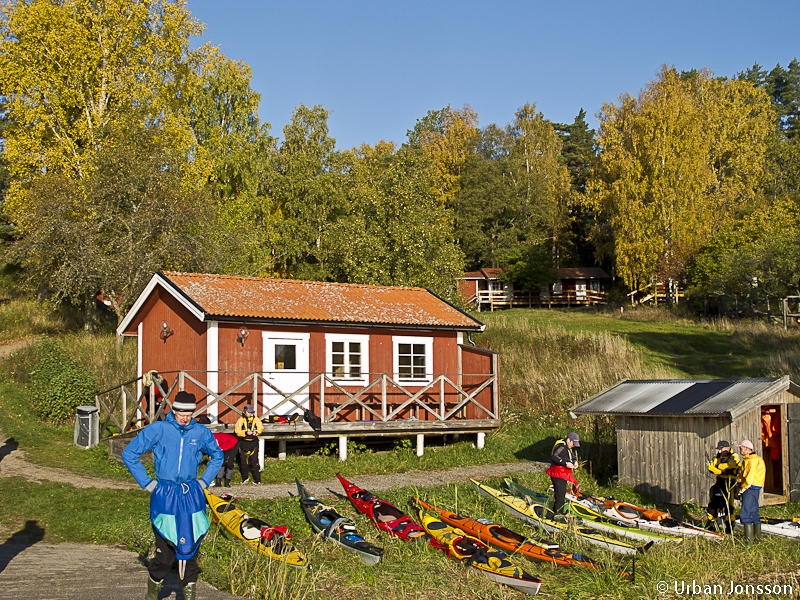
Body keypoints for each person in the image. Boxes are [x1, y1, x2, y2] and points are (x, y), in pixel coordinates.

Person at [122, 391, 223, 600]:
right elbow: (129, 454)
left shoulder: (200, 432)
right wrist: (147, 483)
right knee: (166, 556)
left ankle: (188, 595)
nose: (185, 418)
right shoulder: (159, 429)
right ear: (173, 410)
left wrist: (203, 481)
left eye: (189, 414)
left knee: (191, 553)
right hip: (165, 495)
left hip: (191, 495)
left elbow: (217, 456)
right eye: (180, 414)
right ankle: (152, 594)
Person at [706, 440, 741, 532]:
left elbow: (732, 465)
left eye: (721, 450)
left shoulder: (734, 456)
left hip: (730, 482)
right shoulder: (717, 457)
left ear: (728, 449)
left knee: (729, 504)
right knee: (713, 500)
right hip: (720, 481)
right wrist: (720, 469)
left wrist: (719, 468)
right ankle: (712, 522)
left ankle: (729, 526)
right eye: (719, 450)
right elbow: (711, 467)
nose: (719, 452)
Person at [735, 439, 766, 543]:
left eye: (741, 448)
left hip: (750, 488)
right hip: (751, 488)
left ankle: (748, 543)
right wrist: (738, 484)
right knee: (754, 513)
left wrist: (741, 490)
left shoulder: (752, 460)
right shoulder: (747, 459)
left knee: (746, 514)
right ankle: (757, 540)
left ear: (747, 449)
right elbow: (742, 474)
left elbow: (749, 479)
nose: (739, 450)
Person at [546, 432, 580, 517]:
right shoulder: (561, 446)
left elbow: (569, 455)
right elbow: (554, 457)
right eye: (573, 443)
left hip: (562, 474)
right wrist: (565, 463)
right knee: (560, 497)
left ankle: (558, 513)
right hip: (557, 475)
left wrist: (574, 461)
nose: (574, 446)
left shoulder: (566, 446)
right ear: (569, 440)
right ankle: (558, 515)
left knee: (561, 494)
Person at [235, 404, 263, 485]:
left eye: (251, 412)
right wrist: (245, 433)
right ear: (244, 412)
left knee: (254, 461)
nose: (250, 414)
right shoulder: (241, 420)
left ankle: (257, 480)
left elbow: (260, 428)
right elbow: (237, 431)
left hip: (253, 442)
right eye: (248, 412)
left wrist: (256, 432)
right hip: (244, 442)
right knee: (243, 461)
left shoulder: (256, 419)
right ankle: (245, 479)